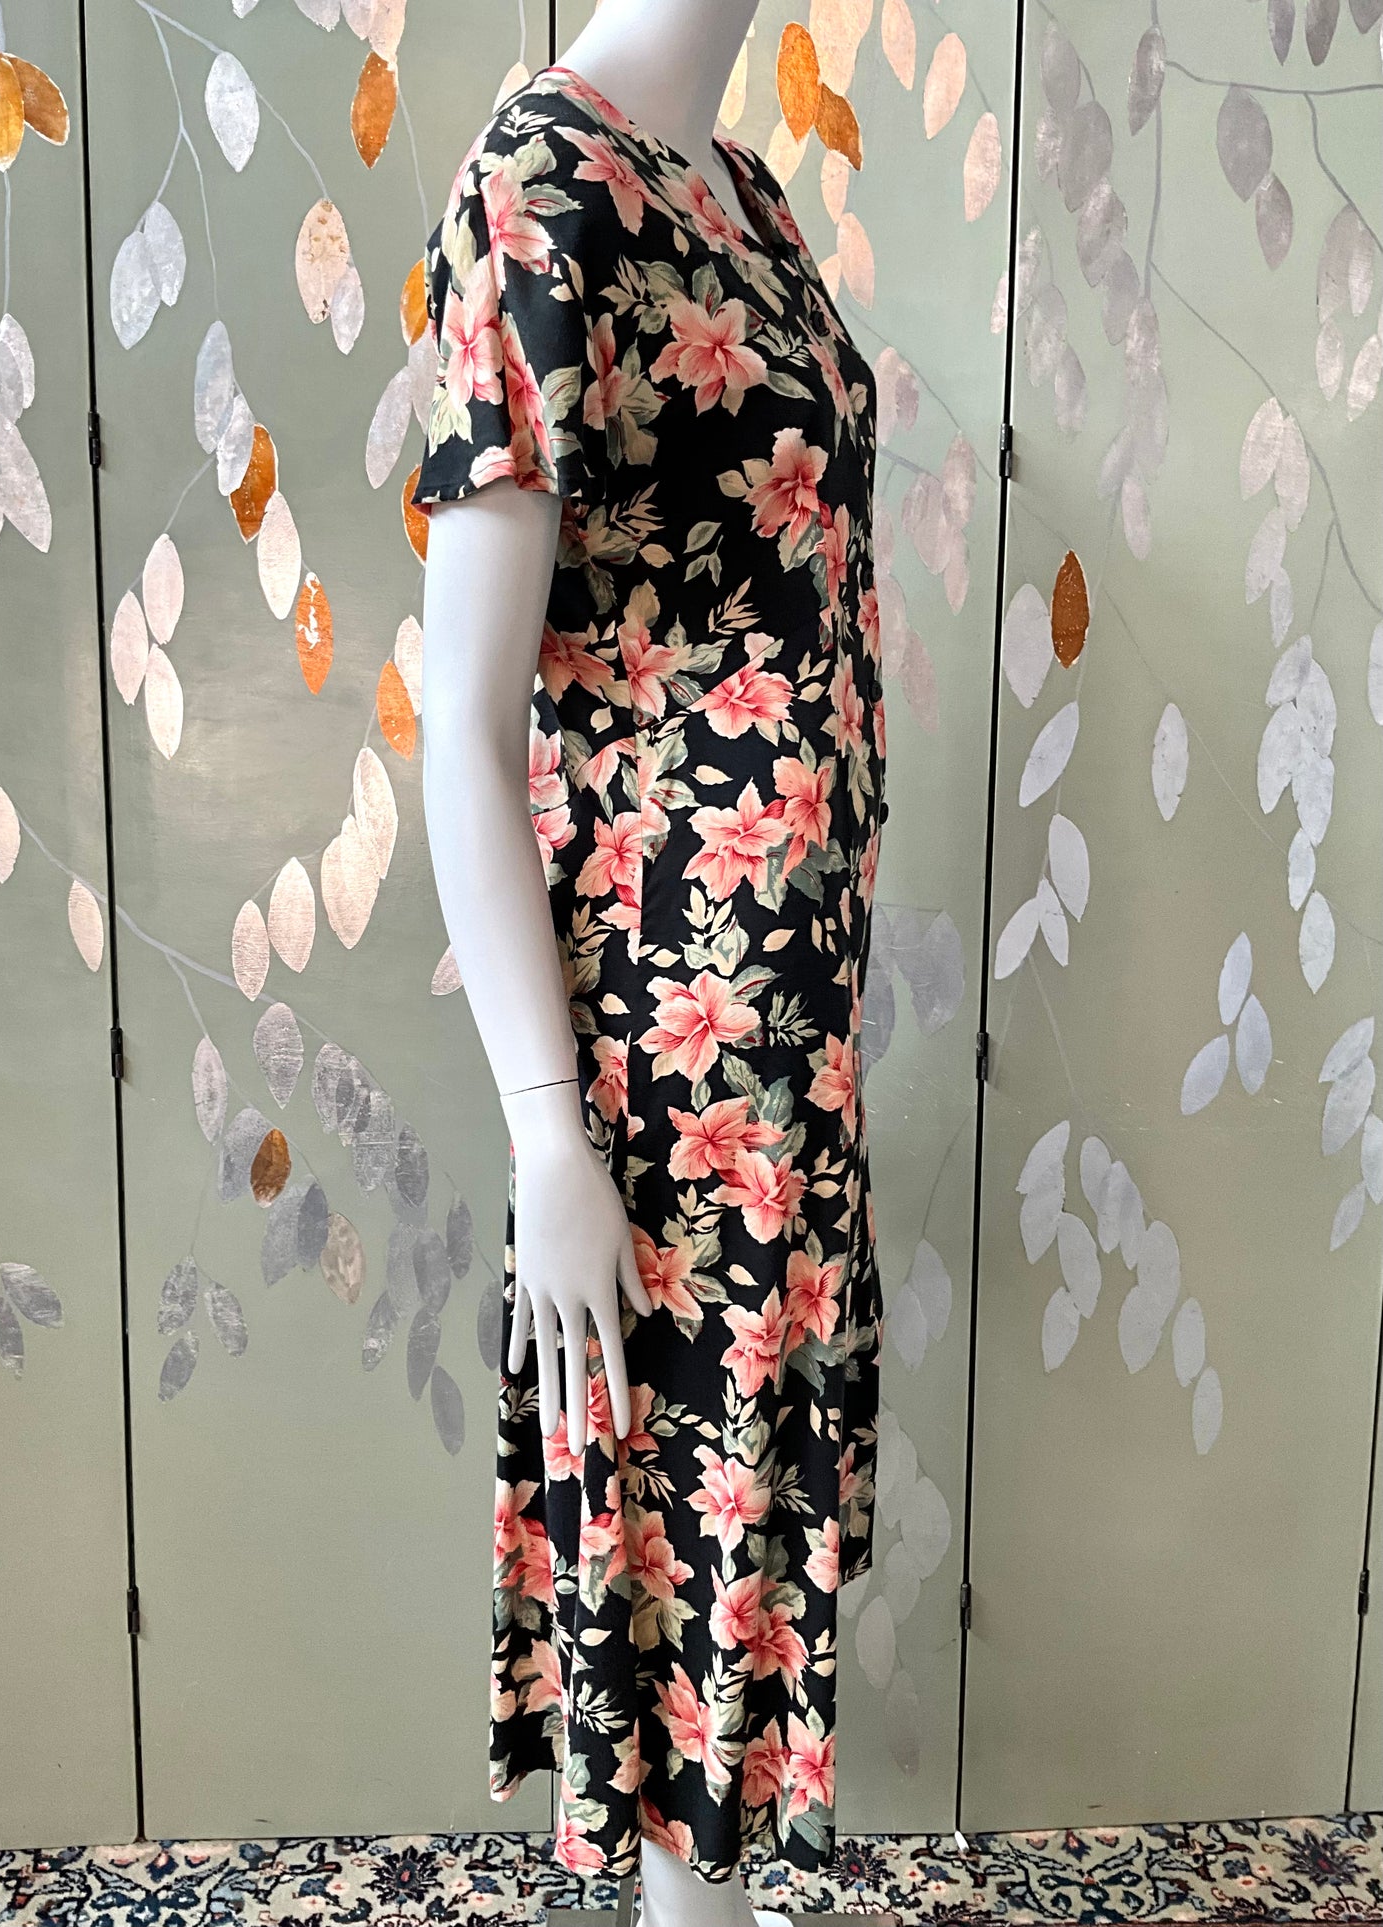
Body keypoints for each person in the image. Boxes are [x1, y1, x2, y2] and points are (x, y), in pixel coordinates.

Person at [416, 2, 887, 1918]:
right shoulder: (542, 184)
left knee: (743, 1512)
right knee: (668, 1522)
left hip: (790, 1028)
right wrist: (545, 1132)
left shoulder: (746, 197)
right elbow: (454, 716)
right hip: (654, 1031)